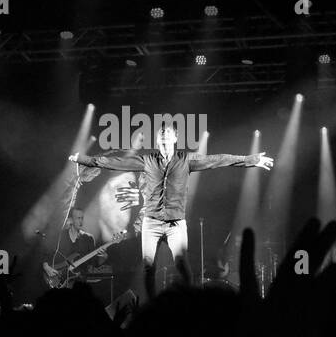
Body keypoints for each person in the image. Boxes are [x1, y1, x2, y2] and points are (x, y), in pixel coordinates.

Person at [70, 124, 273, 297]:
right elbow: (115, 163)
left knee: (183, 266)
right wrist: (84, 159)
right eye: (161, 134)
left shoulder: (186, 160)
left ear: (175, 138)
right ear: (158, 140)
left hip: (176, 224)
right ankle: (151, 306)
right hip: (151, 223)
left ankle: (187, 305)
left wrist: (250, 160)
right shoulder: (147, 161)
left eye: (168, 133)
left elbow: (217, 159)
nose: (164, 136)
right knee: (149, 268)